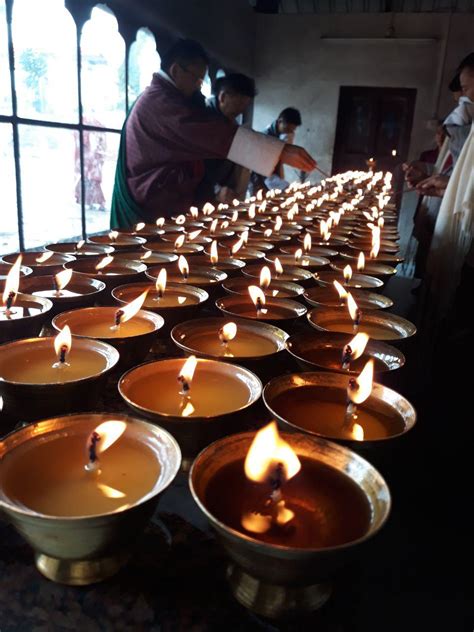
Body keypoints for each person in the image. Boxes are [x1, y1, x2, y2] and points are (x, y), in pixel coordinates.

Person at [110, 40, 316, 228]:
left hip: (170, 201)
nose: (199, 86)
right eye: (198, 79)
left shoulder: (168, 98)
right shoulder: (160, 102)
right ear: (175, 70)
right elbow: (210, 133)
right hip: (148, 207)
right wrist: (280, 151)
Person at [195, 73, 257, 204]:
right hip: (200, 196)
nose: (237, 115)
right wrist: (216, 189)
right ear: (223, 97)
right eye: (235, 111)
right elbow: (194, 166)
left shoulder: (230, 121)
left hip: (223, 194)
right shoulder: (202, 121)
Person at [248, 107, 303, 195]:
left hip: (272, 176)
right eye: (288, 129)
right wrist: (282, 185)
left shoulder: (285, 135)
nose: (289, 132)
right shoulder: (265, 138)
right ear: (280, 121)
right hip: (259, 180)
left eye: (292, 130)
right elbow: (263, 169)